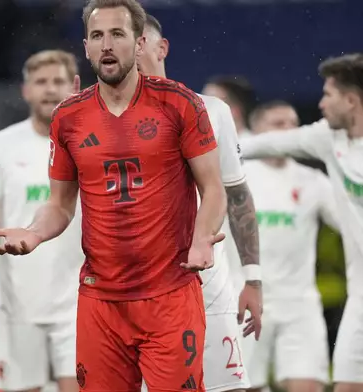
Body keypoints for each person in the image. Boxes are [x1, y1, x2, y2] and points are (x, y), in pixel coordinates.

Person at [0, 0, 227, 390]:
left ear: (138, 43)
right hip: (101, 300)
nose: (107, 45)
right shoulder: (69, 117)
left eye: (117, 34)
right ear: (85, 47)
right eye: (97, 36)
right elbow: (60, 204)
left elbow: (214, 189)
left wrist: (202, 238)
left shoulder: (181, 104)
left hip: (169, 293)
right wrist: (34, 233)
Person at [137, 15, 262, 392]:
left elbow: (237, 195)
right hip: (137, 292)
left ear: (162, 48)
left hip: (208, 288)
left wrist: (253, 279)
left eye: (139, 39)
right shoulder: (97, 116)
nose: (131, 47)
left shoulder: (212, 110)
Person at [239, 53, 363, 392]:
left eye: (328, 95)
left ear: (351, 101)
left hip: (301, 304)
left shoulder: (312, 181)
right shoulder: (327, 138)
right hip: (351, 299)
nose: (320, 104)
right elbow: (262, 144)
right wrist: (202, 148)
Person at [0, 50, 81, 392]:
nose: (50, 90)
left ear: (74, 88)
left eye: (58, 81)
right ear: (24, 90)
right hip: (18, 305)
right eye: (40, 82)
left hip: (78, 304)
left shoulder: (92, 146)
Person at [239, 100, 338, 392]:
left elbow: (352, 225)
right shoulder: (235, 179)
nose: (288, 131)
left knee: (307, 386)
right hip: (244, 301)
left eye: (293, 124)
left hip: (299, 303)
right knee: (246, 387)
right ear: (256, 131)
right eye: (278, 124)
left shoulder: (314, 180)